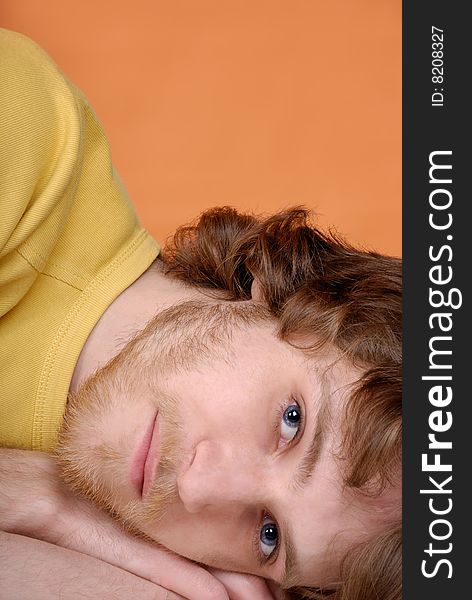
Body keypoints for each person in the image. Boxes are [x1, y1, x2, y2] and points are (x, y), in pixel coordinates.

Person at [0, 29, 402, 600]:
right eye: (292, 421)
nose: (199, 486)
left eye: (268, 536)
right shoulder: (27, 139)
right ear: (288, 291)